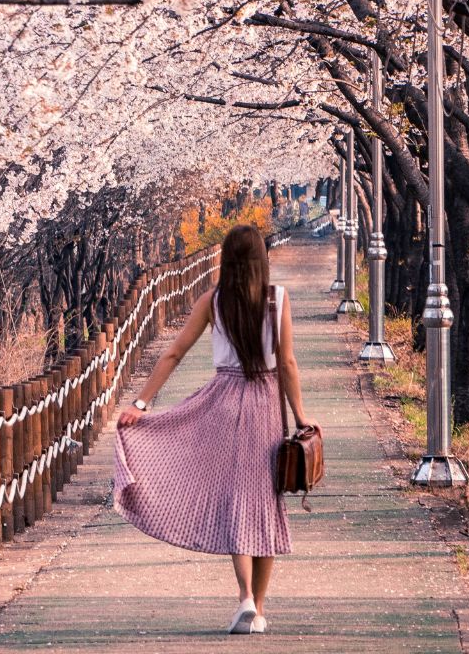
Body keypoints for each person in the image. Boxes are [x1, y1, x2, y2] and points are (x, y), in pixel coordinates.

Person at [113, 224, 320, 635]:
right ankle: (257, 609)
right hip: (264, 405)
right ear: (262, 259)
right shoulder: (278, 300)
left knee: (234, 500)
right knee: (266, 501)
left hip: (222, 402)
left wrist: (141, 403)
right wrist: (300, 416)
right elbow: (288, 363)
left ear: (225, 261)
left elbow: (174, 352)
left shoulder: (213, 300)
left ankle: (244, 597)